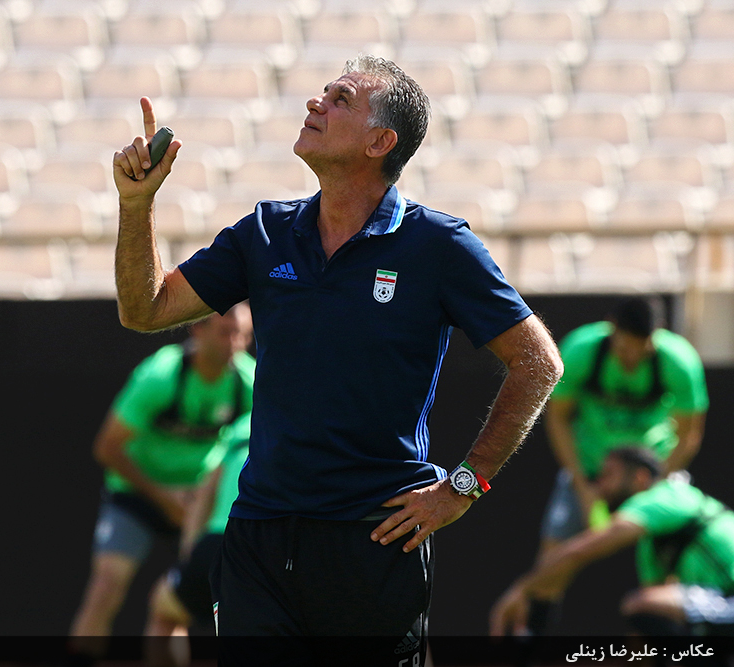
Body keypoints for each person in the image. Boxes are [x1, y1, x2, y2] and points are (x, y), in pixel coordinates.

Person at [111, 54, 563, 665]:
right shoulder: (264, 230)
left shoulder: (439, 244)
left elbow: (538, 363)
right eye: (323, 93)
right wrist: (137, 205)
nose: (315, 103)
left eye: (341, 98)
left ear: (381, 142)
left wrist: (464, 485)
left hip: (376, 538)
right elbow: (146, 309)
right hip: (259, 539)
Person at [69, 306, 254, 659]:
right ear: (197, 331)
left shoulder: (249, 381)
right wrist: (163, 496)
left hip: (196, 502)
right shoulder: (161, 375)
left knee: (175, 605)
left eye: (243, 336)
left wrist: (199, 500)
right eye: (225, 333)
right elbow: (107, 447)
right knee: (107, 585)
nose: (235, 344)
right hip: (137, 495)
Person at [528, 297, 709, 634]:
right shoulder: (581, 350)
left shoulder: (679, 361)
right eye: (625, 348)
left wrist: (657, 486)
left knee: (670, 566)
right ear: (611, 329)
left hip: (653, 477)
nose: (632, 358)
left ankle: (667, 647)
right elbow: (558, 419)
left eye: (642, 350)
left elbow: (689, 435)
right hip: (590, 471)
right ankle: (530, 641)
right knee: (552, 560)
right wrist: (582, 485)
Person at [490, 446, 734, 638]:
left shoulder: (664, 497)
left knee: (642, 605)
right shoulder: (651, 546)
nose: (599, 487)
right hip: (722, 606)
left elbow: (579, 552)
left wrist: (522, 589)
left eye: (608, 475)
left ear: (640, 477)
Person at [144, 413, 251, 667]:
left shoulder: (243, 423)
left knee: (164, 610)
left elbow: (206, 493)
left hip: (218, 546)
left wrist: (190, 552)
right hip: (265, 549)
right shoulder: (310, 420)